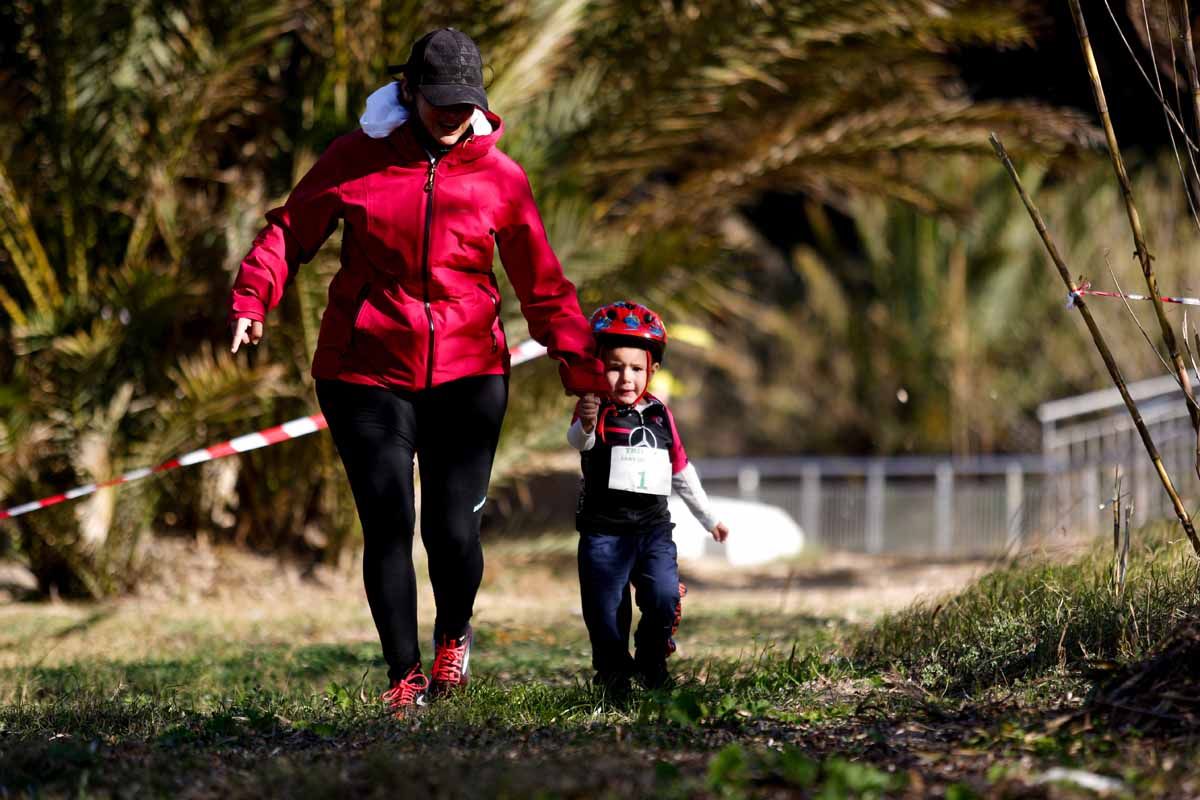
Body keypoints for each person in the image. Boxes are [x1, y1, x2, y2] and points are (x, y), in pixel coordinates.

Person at [228, 28, 607, 716]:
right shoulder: (357, 158)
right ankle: (403, 678)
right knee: (388, 522)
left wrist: (582, 372)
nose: (451, 115)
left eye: (464, 103)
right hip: (363, 370)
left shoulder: (501, 178)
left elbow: (545, 287)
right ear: (409, 92)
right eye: (438, 101)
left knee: (452, 531)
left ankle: (452, 637)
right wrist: (255, 294)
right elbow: (292, 230)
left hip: (467, 375)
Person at [567, 301, 729, 693]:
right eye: (615, 366)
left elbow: (681, 470)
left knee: (662, 594)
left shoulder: (660, 414)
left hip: (653, 531)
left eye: (636, 368)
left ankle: (652, 661)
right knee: (606, 611)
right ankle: (613, 675)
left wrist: (709, 519)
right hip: (604, 533)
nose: (626, 377)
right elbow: (579, 440)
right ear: (598, 366)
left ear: (652, 371)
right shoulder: (595, 408)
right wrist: (586, 420)